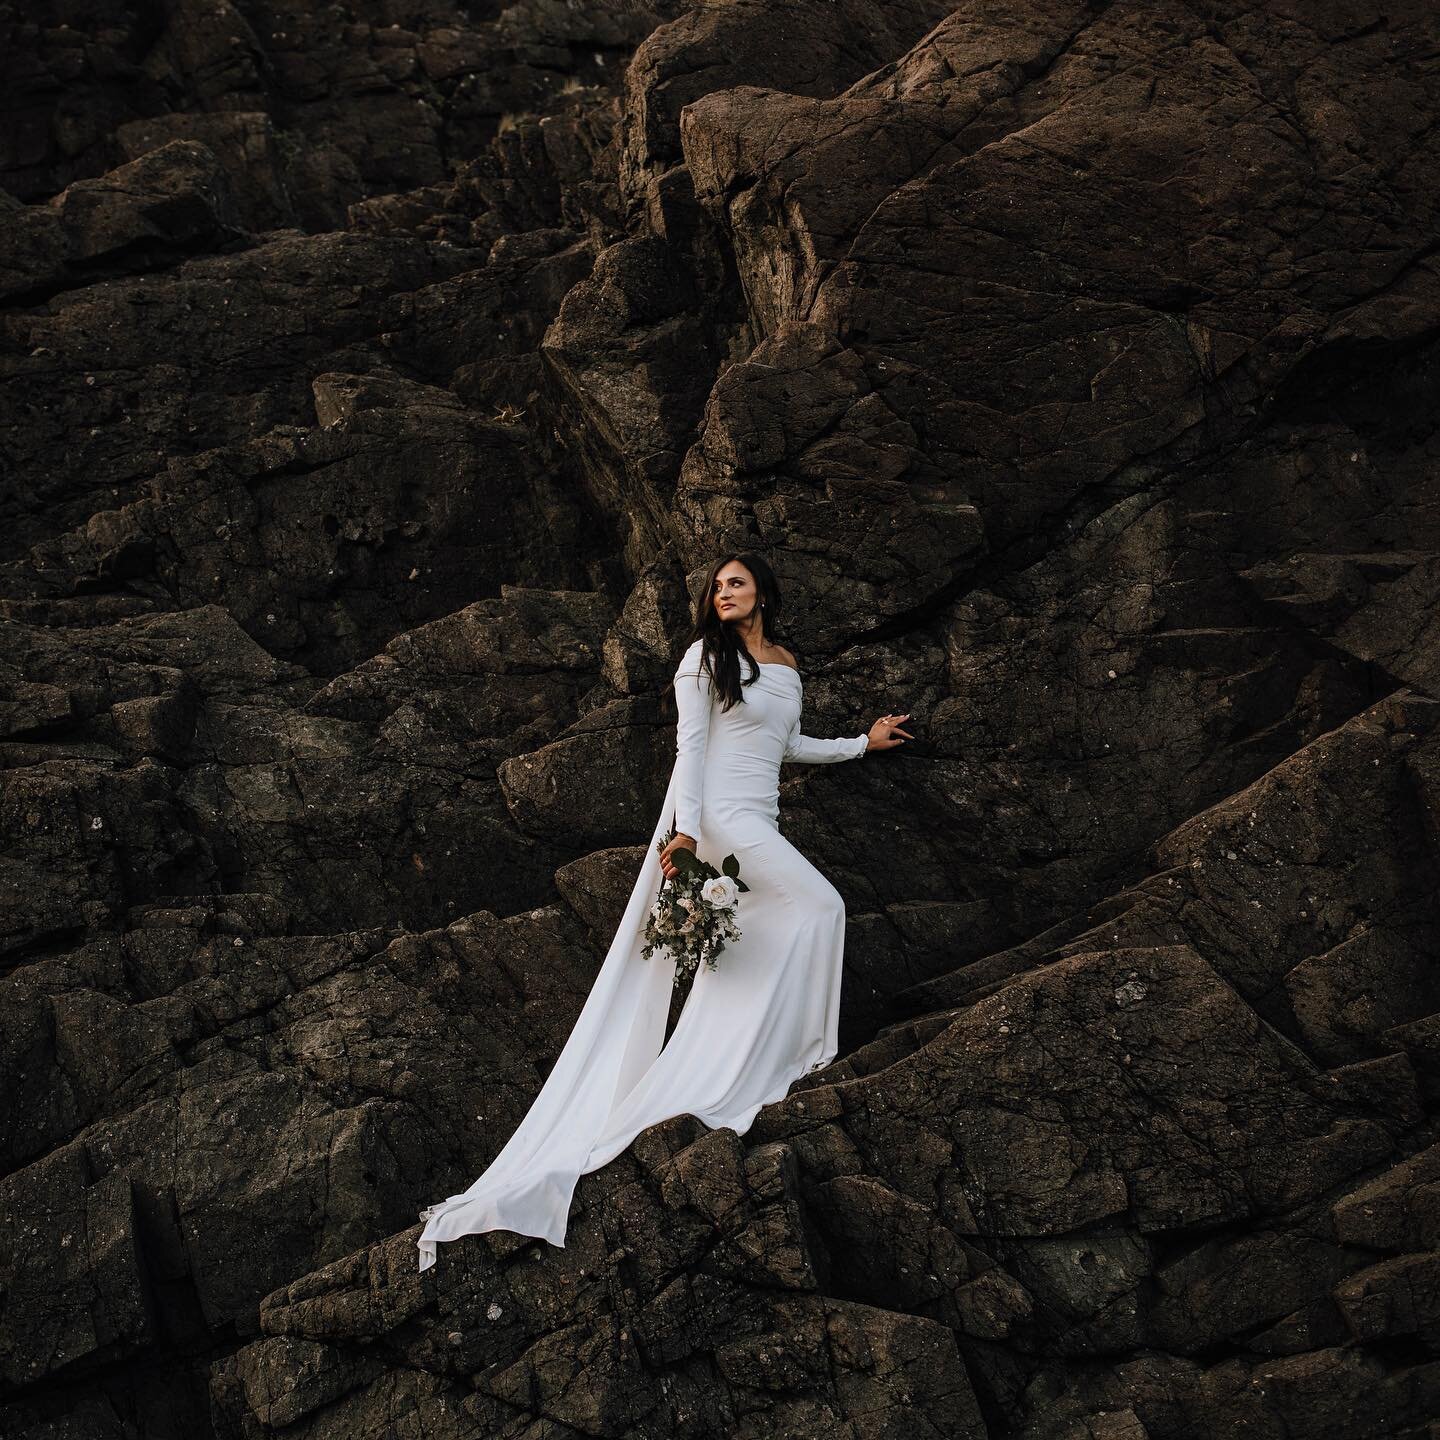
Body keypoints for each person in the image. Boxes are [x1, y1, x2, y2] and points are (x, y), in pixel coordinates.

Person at [416, 552, 912, 1270]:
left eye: (736, 583)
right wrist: (685, 828)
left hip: (761, 816)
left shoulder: (784, 662)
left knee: (769, 939)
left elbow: (787, 744)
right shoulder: (701, 660)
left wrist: (859, 745)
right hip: (724, 820)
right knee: (824, 907)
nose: (723, 593)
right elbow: (692, 747)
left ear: (764, 593)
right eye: (716, 586)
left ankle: (753, 1061)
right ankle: (804, 1052)